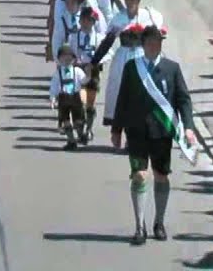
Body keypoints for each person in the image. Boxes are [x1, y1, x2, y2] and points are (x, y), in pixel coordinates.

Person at [110, 25, 198, 245]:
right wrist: (116, 128)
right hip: (137, 131)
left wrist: (188, 127)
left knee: (161, 175)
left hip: (161, 132)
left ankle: (158, 222)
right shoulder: (132, 68)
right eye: (150, 42)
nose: (154, 46)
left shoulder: (172, 68)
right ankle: (139, 226)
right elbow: (123, 98)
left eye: (158, 42)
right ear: (143, 44)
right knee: (139, 175)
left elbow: (183, 99)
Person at [49, 45, 90, 151]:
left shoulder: (77, 71)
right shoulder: (58, 74)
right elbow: (54, 86)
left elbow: (84, 81)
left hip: (75, 98)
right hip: (63, 99)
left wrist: (88, 76)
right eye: (63, 58)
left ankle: (81, 134)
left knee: (78, 121)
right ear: (59, 60)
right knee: (65, 120)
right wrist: (53, 98)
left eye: (69, 59)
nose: (66, 61)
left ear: (73, 59)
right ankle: (71, 141)